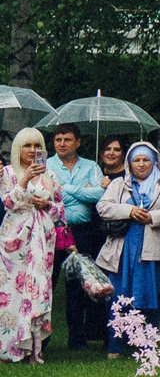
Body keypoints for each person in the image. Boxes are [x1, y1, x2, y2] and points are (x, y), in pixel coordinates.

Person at [97, 141, 160, 352]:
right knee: (119, 297)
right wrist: (130, 211)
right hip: (123, 250)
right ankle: (116, 346)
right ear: (129, 163)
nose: (141, 164)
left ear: (153, 162)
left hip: (153, 250)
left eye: (146, 160)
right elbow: (103, 207)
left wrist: (152, 216)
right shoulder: (118, 184)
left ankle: (146, 346)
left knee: (151, 296)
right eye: (136, 160)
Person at [1, 129, 62, 361]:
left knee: (38, 290)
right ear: (18, 148)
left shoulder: (51, 176)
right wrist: (25, 178)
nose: (33, 150)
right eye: (27, 146)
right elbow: (8, 203)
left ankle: (33, 347)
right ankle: (10, 347)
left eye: (37, 146)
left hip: (43, 239)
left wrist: (46, 204)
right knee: (11, 292)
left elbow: (59, 211)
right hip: (14, 241)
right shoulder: (7, 173)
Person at [45, 127, 106, 350]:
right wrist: (82, 191)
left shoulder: (91, 166)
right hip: (51, 230)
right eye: (58, 139)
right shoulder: (46, 165)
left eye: (67, 140)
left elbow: (99, 194)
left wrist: (66, 189)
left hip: (82, 232)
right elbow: (47, 195)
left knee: (79, 285)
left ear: (78, 142)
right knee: (47, 283)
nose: (62, 143)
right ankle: (42, 338)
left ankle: (77, 338)